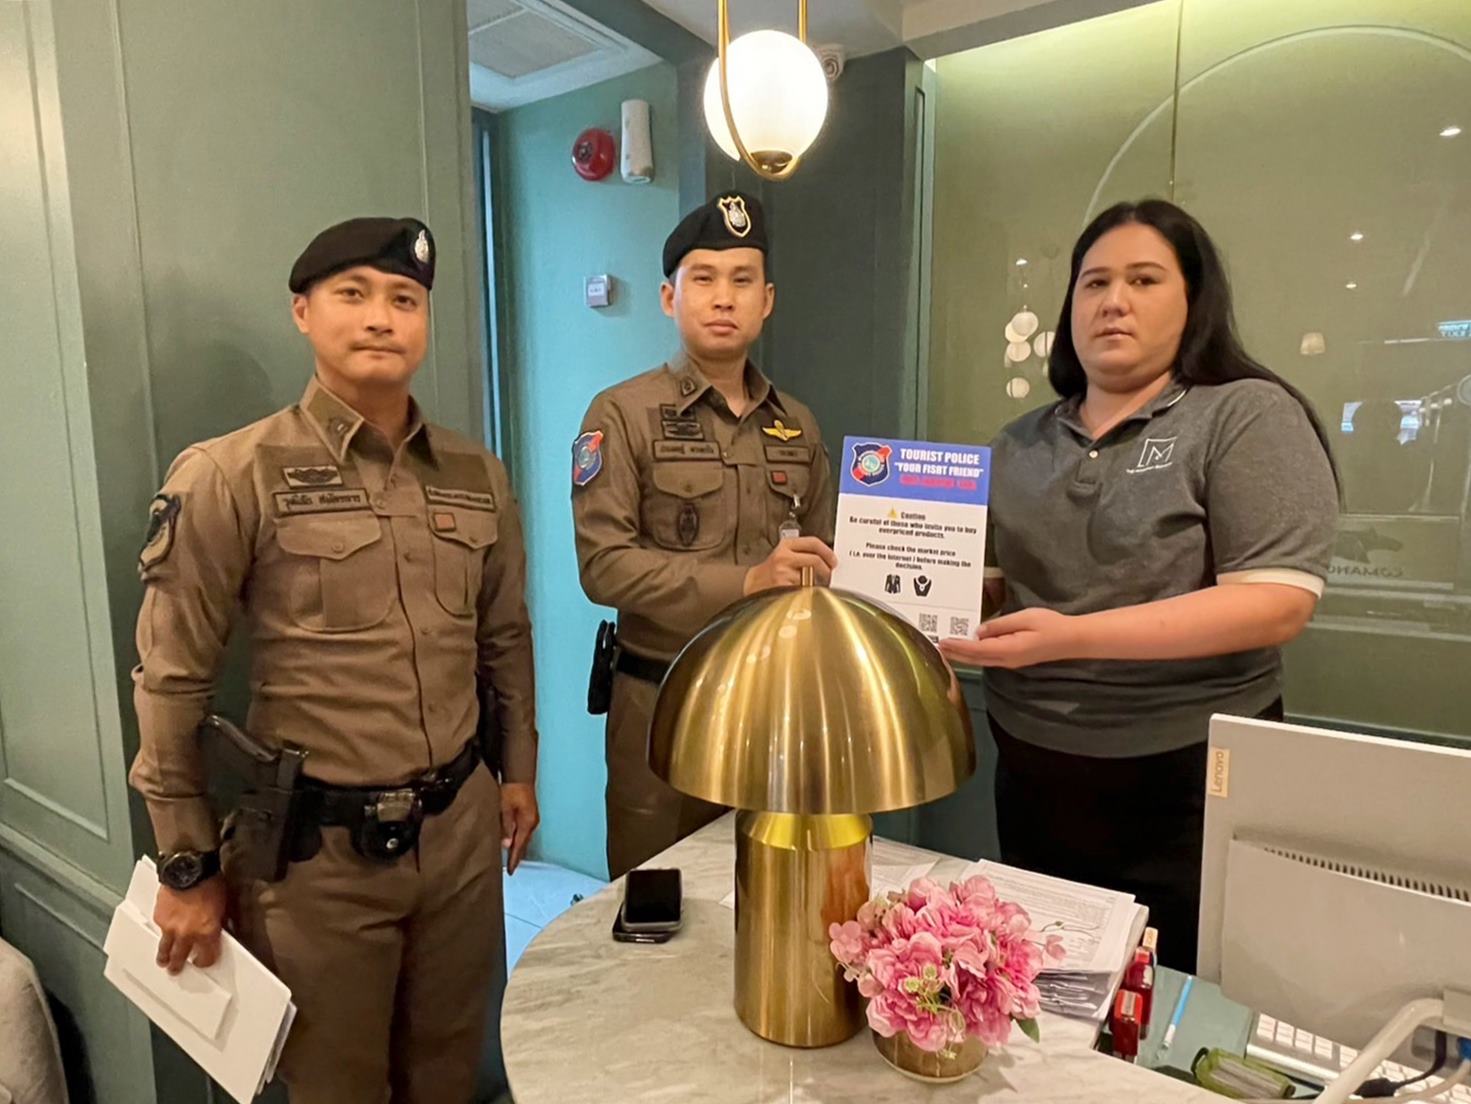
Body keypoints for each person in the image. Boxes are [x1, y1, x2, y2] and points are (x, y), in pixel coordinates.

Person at [129, 217, 539, 1102]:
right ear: (302, 312)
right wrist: (186, 864)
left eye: (405, 299)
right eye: (353, 294)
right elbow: (171, 682)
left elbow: (504, 636)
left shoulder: (476, 475)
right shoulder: (230, 474)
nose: (382, 318)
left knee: (449, 1074)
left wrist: (517, 773)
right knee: (335, 1088)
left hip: (459, 838)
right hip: (319, 862)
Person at [939, 199, 1339, 972]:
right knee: (1043, 985)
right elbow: (981, 590)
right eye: (1093, 283)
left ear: (1193, 300)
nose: (1112, 301)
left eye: (1143, 280)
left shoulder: (1244, 415)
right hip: (1034, 768)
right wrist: (885, 585)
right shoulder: (1017, 443)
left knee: (1184, 992)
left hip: (1189, 777)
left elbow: (1275, 603)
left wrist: (1072, 637)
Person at [572, 191, 838, 880]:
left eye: (742, 280)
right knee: (656, 899)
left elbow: (827, 562)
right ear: (669, 297)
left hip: (772, 702)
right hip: (662, 700)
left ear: (767, 300)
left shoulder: (797, 425)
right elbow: (604, 566)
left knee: (769, 888)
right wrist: (746, 581)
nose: (724, 297)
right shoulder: (621, 414)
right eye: (704, 278)